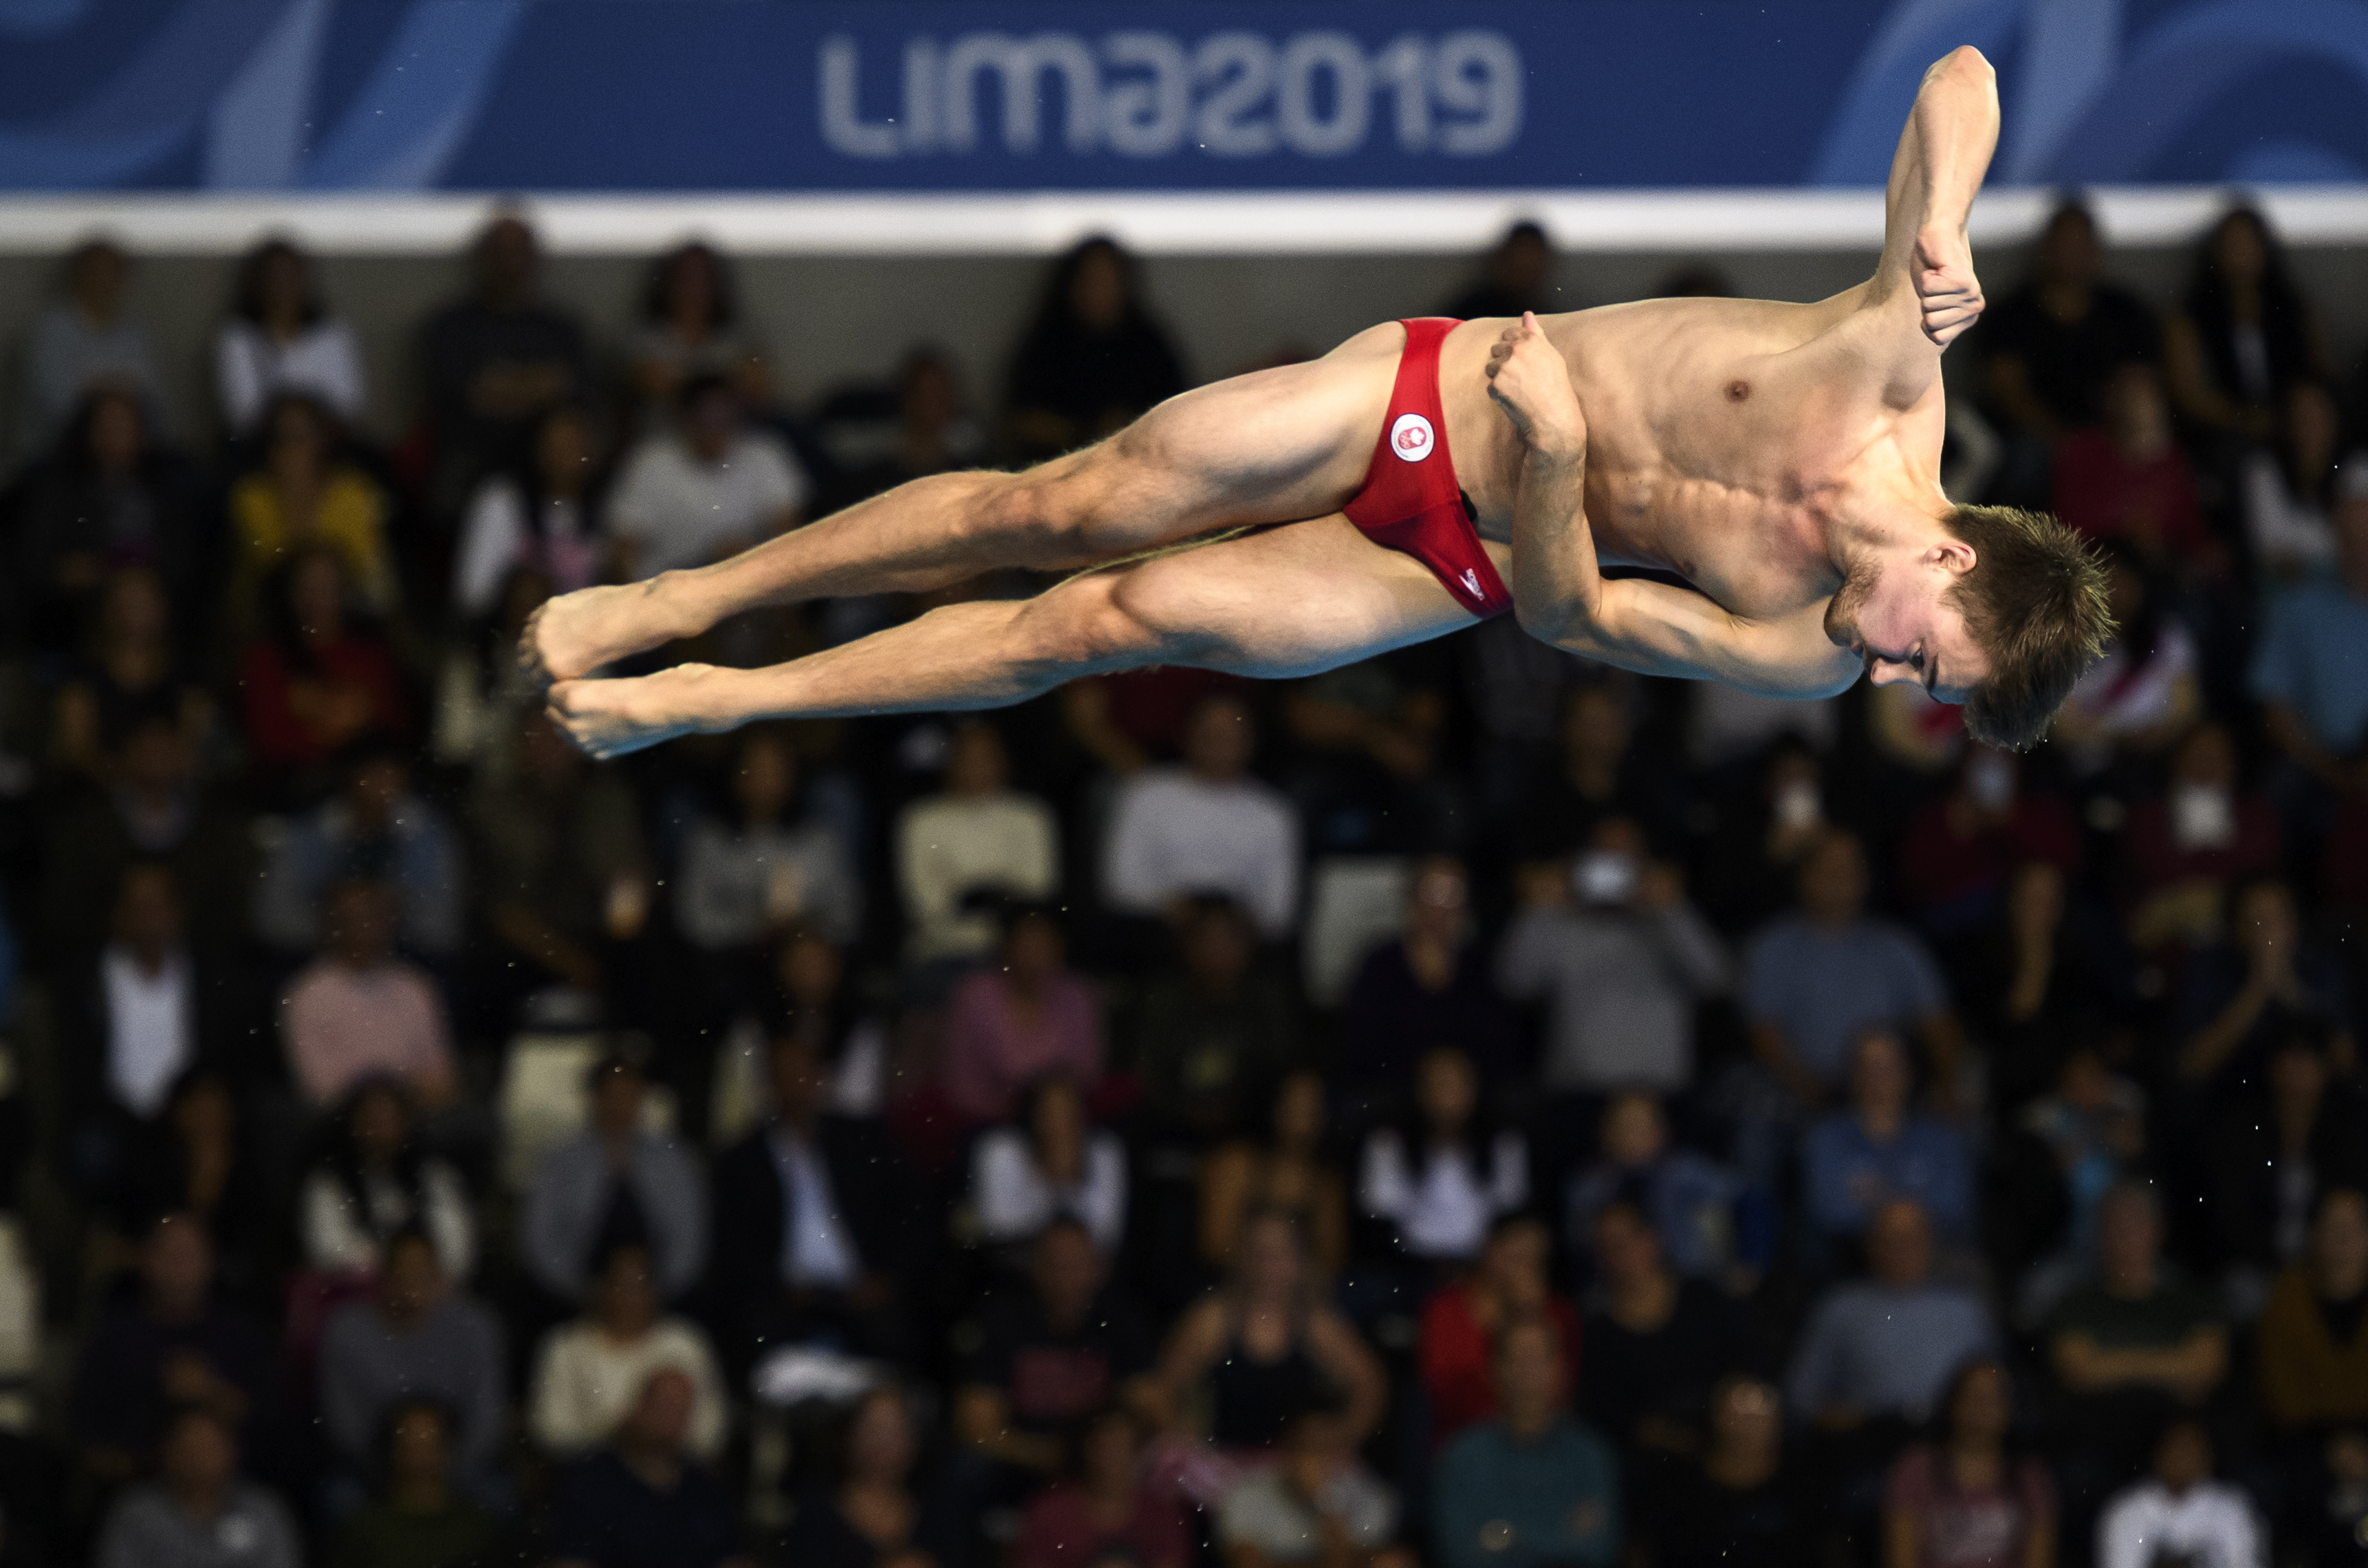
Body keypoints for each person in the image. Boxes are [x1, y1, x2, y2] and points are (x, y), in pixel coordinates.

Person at [526, 49, 2111, 761]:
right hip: (1413, 399)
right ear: (1953, 556)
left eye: (1911, 682)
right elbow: (1960, 76)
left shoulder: (1797, 648)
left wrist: (1558, 464)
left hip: (1461, 560)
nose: (1880, 668)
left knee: (1103, 620)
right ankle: (680, 599)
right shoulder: (1890, 371)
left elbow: (1566, 620)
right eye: (1922, 651)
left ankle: (712, 700)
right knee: (1054, 509)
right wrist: (1940, 221)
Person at [709, 1034, 920, 1367]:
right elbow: (733, 1247)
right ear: (769, 1083)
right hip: (785, 1296)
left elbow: (909, 1212)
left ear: (821, 1077)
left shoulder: (862, 1141)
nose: (796, 1085)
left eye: (802, 1073)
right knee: (758, 1337)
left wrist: (887, 1278)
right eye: (784, 1075)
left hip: (860, 1288)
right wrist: (778, 1286)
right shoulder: (743, 1160)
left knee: (895, 1338)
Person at [1497, 816, 1729, 1096]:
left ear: (1646, 863)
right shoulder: (1560, 922)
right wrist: (1539, 908)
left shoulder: (1669, 922)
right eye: (1606, 857)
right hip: (1578, 1097)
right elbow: (1514, 982)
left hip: (1658, 1098)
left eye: (1626, 858)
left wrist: (1673, 910)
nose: (1616, 870)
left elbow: (1716, 979)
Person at [1742, 829, 1963, 1108]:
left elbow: (1938, 1023)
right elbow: (1763, 1036)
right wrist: (1815, 1099)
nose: (1842, 877)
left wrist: (1946, 1086)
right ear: (1803, 877)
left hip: (1889, 1098)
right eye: (1831, 867)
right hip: (1798, 1098)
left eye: (1851, 867)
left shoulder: (1897, 945)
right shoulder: (1772, 947)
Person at [69, 1214, 282, 1490]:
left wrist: (210, 1392)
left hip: (237, 1492)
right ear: (146, 1260)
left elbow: (274, 1428)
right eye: (167, 1253)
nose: (178, 1265)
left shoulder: (242, 1335)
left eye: (188, 1254)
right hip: (135, 1491)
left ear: (211, 1262)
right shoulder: (112, 1338)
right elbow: (84, 1436)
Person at [1153, 1209, 1387, 1451]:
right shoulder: (1214, 1320)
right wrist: (1187, 1441)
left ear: (1301, 1261)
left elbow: (1371, 1387)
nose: (1269, 1266)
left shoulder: (1316, 1324)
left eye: (1281, 1254)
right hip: (1222, 1463)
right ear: (1242, 1257)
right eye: (1260, 1253)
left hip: (1292, 1465)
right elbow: (1161, 1390)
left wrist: (1337, 1437)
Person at [2041, 1182, 2228, 1481]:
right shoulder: (2075, 1305)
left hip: (2177, 1447)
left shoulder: (2192, 1304)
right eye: (2115, 1226)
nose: (2125, 1236)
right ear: (2100, 1234)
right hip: (2099, 1445)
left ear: (2159, 1231)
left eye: (2136, 1224)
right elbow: (2079, 1371)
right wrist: (2172, 1366)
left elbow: (2206, 1367)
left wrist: (2111, 1363)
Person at [955, 1218, 1155, 1482]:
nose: (1065, 1278)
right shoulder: (1004, 1319)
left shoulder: (1119, 1321)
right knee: (969, 1469)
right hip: (1021, 1467)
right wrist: (1053, 1456)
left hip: (1102, 1468)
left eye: (1076, 1265)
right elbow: (978, 1425)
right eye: (1055, 1264)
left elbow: (1152, 1410)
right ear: (1034, 1268)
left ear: (1100, 1269)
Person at [318, 1229, 506, 1504]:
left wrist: (446, 1475)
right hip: (374, 1470)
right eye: (403, 1271)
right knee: (340, 1498)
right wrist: (393, 1473)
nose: (412, 1280)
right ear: (384, 1278)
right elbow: (343, 1425)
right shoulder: (346, 1332)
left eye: (422, 1271)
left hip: (458, 1468)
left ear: (438, 1275)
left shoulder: (475, 1327)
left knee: (498, 1498)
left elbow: (487, 1418)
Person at [13, 391, 206, 657]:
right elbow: (37, 565)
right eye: (106, 424)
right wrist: (97, 570)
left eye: (125, 423)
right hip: (76, 619)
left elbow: (184, 561)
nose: (115, 433)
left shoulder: (169, 484)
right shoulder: (59, 487)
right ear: (87, 430)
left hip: (157, 609)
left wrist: (138, 579)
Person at [1975, 201, 2160, 478]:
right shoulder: (2011, 314)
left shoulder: (2123, 311)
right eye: (2066, 243)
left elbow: (2140, 382)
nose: (2074, 254)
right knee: (2026, 455)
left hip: (2111, 432)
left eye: (2083, 244)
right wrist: (2062, 439)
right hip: (2036, 437)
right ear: (2046, 248)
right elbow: (2007, 391)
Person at [417, 213, 589, 511]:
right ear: (484, 259)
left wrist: (501, 385)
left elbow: (569, 391)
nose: (511, 264)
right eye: (501, 253)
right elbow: (466, 394)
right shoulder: (452, 326)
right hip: (474, 456)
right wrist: (535, 386)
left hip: (547, 463)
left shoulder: (561, 329)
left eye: (519, 252)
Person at [1100, 692, 1300, 939]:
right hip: (1157, 932)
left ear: (1252, 739)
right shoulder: (1146, 793)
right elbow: (1119, 885)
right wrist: (1184, 912)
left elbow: (1279, 911)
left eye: (1232, 733)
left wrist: (1225, 925)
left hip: (1240, 940)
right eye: (1212, 732)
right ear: (1186, 733)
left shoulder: (1273, 810)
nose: (1221, 741)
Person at [1788, 1201, 1997, 1435]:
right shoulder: (1840, 1308)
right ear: (1871, 1245)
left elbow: (1998, 1388)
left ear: (1931, 1243)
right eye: (1892, 1240)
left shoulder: (1965, 1309)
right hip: (1871, 1440)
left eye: (1913, 1238)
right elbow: (1802, 1396)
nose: (1904, 1249)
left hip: (1950, 1441)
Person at [1433, 1314, 1621, 1568]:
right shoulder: (1462, 1457)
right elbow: (1460, 1554)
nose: (1529, 1371)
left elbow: (1599, 1550)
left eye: (1539, 1358)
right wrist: (1562, 1539)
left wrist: (1505, 1539)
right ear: (1493, 1369)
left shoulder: (1591, 1455)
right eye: (1519, 1359)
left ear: (1561, 1370)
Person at [1576, 1201, 1753, 1469]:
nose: (1623, 1252)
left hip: (1731, 1439)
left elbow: (1746, 1364)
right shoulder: (1599, 1336)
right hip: (1655, 1466)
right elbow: (1614, 1420)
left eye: (1630, 1238)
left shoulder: (1703, 1298)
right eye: (1610, 1245)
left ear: (1654, 1238)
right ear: (1599, 1259)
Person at [252, 739, 466, 961]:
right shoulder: (309, 834)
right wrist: (341, 933)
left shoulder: (430, 836)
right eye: (372, 775)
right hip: (317, 956)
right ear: (349, 778)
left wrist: (381, 933)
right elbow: (273, 919)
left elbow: (442, 928)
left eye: (391, 776)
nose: (382, 787)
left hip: (406, 960)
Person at [523, 1054, 706, 1305]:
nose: (619, 1106)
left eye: (628, 1095)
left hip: (659, 1300)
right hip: (575, 1298)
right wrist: (584, 1293)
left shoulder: (674, 1159)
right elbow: (540, 1238)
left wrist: (653, 1294)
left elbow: (689, 1238)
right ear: (594, 1098)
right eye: (610, 1095)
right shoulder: (561, 1161)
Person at [675, 726, 860, 959]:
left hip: (811, 960)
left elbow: (848, 915)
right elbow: (694, 921)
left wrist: (804, 930)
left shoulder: (820, 840)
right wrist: (753, 927)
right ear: (735, 774)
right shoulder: (709, 841)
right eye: (755, 769)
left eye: (776, 769)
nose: (766, 780)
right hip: (732, 962)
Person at [531, 1243, 727, 1461]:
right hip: (590, 1472)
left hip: (673, 1471)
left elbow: (710, 1433)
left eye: (641, 1283)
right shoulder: (566, 1346)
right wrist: (623, 1437)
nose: (632, 1295)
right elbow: (551, 1432)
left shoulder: (685, 1342)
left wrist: (658, 1440)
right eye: (622, 1283)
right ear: (600, 1286)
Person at [1129, 895, 1301, 1145]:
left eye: (1229, 939)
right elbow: (1148, 1072)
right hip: (1173, 1123)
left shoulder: (1267, 999)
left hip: (1250, 1126)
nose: (1219, 951)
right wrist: (1190, 1110)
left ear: (1249, 945)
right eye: (1207, 939)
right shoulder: (1163, 998)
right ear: (1187, 946)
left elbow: (1280, 1068)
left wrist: (1235, 1107)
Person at [236, 547, 414, 786]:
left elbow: (394, 724)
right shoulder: (267, 656)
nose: (319, 596)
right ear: (290, 593)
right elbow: (267, 741)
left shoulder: (372, 652)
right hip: (298, 785)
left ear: (347, 590)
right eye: (308, 586)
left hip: (367, 784)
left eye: (329, 585)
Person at [607, 373, 808, 583]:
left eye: (723, 419)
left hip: (749, 585)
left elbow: (789, 534)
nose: (714, 430)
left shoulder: (763, 455)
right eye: (705, 420)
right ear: (684, 419)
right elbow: (623, 545)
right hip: (668, 589)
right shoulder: (650, 462)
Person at [1006, 236, 1187, 462]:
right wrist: (1082, 434)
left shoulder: (1150, 346)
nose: (1101, 291)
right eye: (1092, 281)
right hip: (1056, 470)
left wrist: (1129, 427)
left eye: (1109, 281)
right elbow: (1023, 420)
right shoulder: (1046, 345)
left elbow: (1178, 417)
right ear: (1072, 284)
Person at [280, 880, 457, 1110]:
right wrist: (382, 1098)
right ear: (331, 924)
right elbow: (317, 1088)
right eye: (354, 918)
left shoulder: (415, 986)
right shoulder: (305, 994)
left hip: (414, 1115)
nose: (366, 928)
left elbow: (443, 1079)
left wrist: (402, 1098)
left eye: (375, 918)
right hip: (343, 1119)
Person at [894, 719, 1059, 967]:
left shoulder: (1031, 817)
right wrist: (1000, 892)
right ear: (950, 762)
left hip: (1015, 959)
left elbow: (1039, 892)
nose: (977, 766)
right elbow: (924, 904)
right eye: (967, 757)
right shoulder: (920, 820)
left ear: (1004, 760)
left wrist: (968, 893)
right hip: (942, 953)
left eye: (987, 757)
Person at [1343, 856, 1518, 1087]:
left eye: (1453, 895)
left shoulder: (1479, 969)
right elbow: (1365, 1046)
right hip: (1395, 1095)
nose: (1441, 907)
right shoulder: (1380, 967)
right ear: (1412, 900)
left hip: (1466, 1097)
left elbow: (1500, 1045)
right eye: (1433, 893)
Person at [550, 1368, 748, 1568]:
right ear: (639, 1406)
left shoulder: (705, 1488)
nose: (672, 1417)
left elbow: (732, 1559)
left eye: (682, 1407)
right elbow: (571, 1561)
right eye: (665, 1405)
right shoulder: (594, 1483)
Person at [226, 393, 398, 620]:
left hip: (347, 613)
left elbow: (362, 570)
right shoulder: (250, 496)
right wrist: (292, 493)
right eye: (281, 438)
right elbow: (277, 571)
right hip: (273, 619)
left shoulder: (354, 491)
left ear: (322, 441)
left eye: (299, 437)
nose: (290, 448)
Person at [2163, 207, 2324, 449]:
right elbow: (2191, 397)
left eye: (2249, 243)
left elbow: (2320, 378)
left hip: (2292, 430)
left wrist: (2290, 419)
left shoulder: (2295, 312)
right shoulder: (2190, 317)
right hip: (2221, 437)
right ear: (2216, 251)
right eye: (2233, 244)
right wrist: (2249, 421)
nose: (2241, 253)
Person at [1801, 1030, 1975, 1252]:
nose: (1879, 1076)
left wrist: (1892, 1217)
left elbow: (1954, 1208)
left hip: (1933, 1256)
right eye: (1869, 1066)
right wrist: (1893, 1221)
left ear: (1909, 1073)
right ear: (1853, 1074)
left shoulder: (1943, 1139)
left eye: (1889, 1065)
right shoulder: (1825, 1138)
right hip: (1853, 1257)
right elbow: (1829, 1214)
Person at [1357, 1045, 1528, 1267]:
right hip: (1407, 1266)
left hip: (1484, 1266)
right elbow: (1380, 1217)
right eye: (1438, 1085)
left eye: (1456, 1085)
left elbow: (1511, 1215)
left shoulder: (1505, 1143)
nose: (1447, 1097)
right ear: (1419, 1090)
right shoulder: (1386, 1142)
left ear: (1475, 1088)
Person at [1565, 1093, 1760, 1288]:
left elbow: (1749, 1199)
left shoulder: (1684, 1171)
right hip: (1614, 1287)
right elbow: (1579, 1246)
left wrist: (1750, 1263)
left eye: (1641, 1126)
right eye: (1623, 1127)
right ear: (1605, 1133)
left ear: (1661, 1131)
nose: (1632, 1136)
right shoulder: (1588, 1186)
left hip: (1689, 1280)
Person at [1417, 1215, 1581, 1444]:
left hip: (1540, 1439)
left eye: (1533, 1260)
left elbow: (1560, 1388)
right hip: (1463, 1438)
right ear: (1490, 1249)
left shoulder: (1556, 1313)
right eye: (1516, 1256)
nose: (1522, 1268)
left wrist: (1530, 1312)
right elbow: (1444, 1392)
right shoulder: (1446, 1310)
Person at [1880, 1360, 2056, 1568]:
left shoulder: (2028, 1474)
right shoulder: (1917, 1467)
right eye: (1974, 1397)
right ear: (1952, 1402)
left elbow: (2039, 1554)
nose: (1982, 1409)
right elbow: (1901, 1557)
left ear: (2011, 1408)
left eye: (1994, 1399)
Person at [2251, 483, 2368, 796]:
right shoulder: (2297, 607)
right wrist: (2333, 774)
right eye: (2351, 534)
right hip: (2319, 767)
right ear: (2337, 538)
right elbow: (2276, 710)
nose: (2361, 545)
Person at [298, 1077, 475, 1281]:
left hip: (429, 1288)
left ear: (408, 1123)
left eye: (392, 1119)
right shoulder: (328, 1182)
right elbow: (328, 1253)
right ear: (352, 1123)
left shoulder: (433, 1175)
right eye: (373, 1120)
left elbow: (457, 1251)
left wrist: (419, 1273)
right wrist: (392, 1268)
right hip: (357, 1291)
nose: (381, 1130)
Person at [942, 904, 1103, 1126]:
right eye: (1027, 942)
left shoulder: (1078, 994)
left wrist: (1049, 1099)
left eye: (1044, 941)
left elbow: (1087, 1071)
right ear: (1006, 945)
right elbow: (965, 1080)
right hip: (988, 1120)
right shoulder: (975, 994)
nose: (1036, 951)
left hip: (1062, 1120)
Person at [1634, 1376, 1814, 1568]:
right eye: (1735, 1414)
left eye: (1757, 1416)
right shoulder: (1678, 1490)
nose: (1745, 1426)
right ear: (1715, 1415)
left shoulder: (1803, 1493)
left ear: (1779, 1421)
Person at [450, 402, 607, 621]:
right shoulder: (503, 499)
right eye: (557, 448)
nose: (566, 460)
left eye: (575, 447)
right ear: (536, 449)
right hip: (509, 632)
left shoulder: (611, 507)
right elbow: (473, 596)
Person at [776, 1385, 964, 1568]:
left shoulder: (940, 1511)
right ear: (848, 1436)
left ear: (915, 1442)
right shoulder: (815, 1512)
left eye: (894, 1432)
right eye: (872, 1430)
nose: (882, 1445)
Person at [93, 1406, 301, 1568]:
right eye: (189, 1447)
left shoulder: (264, 1511)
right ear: (166, 1452)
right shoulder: (136, 1515)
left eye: (209, 1446)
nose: (198, 1458)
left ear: (232, 1450)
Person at [17, 237, 166, 461]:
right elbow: (58, 405)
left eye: (113, 272)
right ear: (79, 274)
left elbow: (151, 401)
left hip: (130, 460)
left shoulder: (135, 335)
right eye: (97, 271)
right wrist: (111, 394)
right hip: (57, 456)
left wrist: (101, 387)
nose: (104, 280)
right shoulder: (52, 331)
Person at [1199, 1071, 1351, 1283]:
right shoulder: (1236, 1164)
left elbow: (1332, 1259)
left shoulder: (1327, 1182)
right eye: (1294, 1107)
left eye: (1313, 1109)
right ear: (1273, 1107)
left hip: (1299, 1291)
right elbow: (1215, 1246)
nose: (1303, 1121)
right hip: (1235, 1286)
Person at [2255, 1188, 2368, 1472]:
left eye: (2354, 1228)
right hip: (2304, 1444)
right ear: (2314, 1234)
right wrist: (2334, 1448)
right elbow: (2282, 1395)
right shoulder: (2288, 1296)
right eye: (2333, 1227)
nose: (2344, 1239)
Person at [1216, 1406, 1410, 1568]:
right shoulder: (1247, 1495)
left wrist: (1326, 1501)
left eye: (1328, 1447)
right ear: (1286, 1449)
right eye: (1308, 1447)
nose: (1316, 1460)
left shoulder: (1369, 1494)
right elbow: (1246, 1563)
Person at [216, 236, 367, 438]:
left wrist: (307, 418)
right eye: (274, 277)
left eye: (291, 276)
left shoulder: (335, 334)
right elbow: (241, 415)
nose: (283, 286)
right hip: (263, 443)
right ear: (257, 284)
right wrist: (287, 419)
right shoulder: (237, 338)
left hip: (326, 441)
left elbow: (350, 407)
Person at [1012, 1404, 1191, 1568]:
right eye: (1105, 1446)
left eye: (1123, 1446)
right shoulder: (1049, 1514)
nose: (1113, 1456)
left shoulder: (1160, 1511)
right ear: (1086, 1449)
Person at [329, 1402, 504, 1568]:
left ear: (448, 1449)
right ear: (394, 1449)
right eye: (412, 1444)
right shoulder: (365, 1530)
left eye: (431, 1443)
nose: (422, 1455)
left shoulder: (476, 1529)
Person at [969, 1074, 1128, 1254]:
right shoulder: (1000, 1149)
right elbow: (998, 1228)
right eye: (1049, 1113)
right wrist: (1046, 1176)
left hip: (1083, 1261)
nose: (1058, 1124)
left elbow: (1107, 1233)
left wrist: (1069, 1179)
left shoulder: (1104, 1151)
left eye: (1068, 1113)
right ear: (1032, 1114)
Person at [624, 241, 772, 422]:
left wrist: (685, 378)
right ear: (668, 282)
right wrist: (722, 378)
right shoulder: (646, 340)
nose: (695, 288)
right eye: (687, 278)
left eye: (704, 278)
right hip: (666, 432)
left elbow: (759, 388)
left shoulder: (735, 339)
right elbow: (651, 383)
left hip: (729, 433)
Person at [2095, 1421, 2262, 1568]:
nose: (2183, 1459)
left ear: (2209, 1458)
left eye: (2192, 1451)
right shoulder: (2126, 1509)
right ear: (2158, 1455)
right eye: (2176, 1449)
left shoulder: (2232, 1506)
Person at [1445, 221, 1559, 321]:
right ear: (1502, 260)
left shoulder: (1546, 314)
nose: (1525, 269)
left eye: (1533, 260)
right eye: (1519, 259)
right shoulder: (1473, 311)